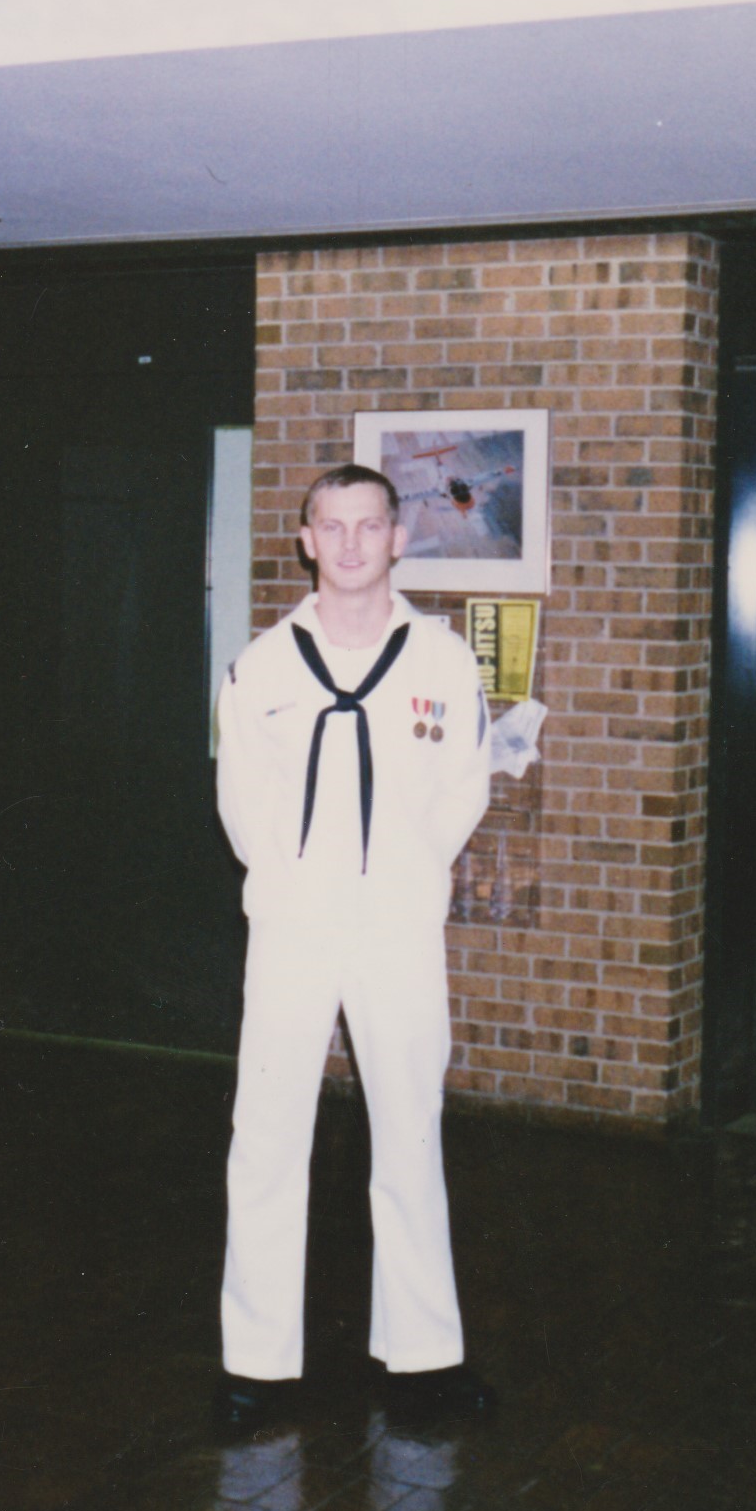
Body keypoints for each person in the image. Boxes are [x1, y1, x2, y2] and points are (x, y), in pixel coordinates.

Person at [213, 463, 495, 1433]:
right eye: (329, 527)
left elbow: (464, 788)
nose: (347, 545)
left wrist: (406, 879)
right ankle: (256, 1366)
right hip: (292, 927)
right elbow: (242, 809)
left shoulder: (445, 663)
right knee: (266, 1138)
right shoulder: (260, 669)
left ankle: (422, 1360)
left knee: (409, 1133)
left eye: (366, 526)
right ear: (303, 539)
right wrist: (298, 886)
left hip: (396, 931)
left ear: (398, 539)